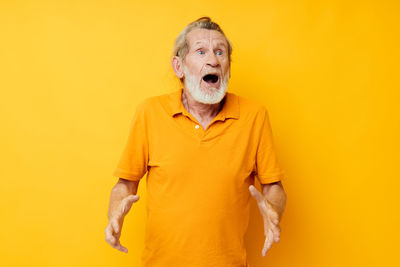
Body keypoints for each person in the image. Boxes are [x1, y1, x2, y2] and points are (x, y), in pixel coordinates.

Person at [105, 17, 287, 267]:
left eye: (220, 52)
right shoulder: (150, 112)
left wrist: (274, 210)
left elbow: (273, 187)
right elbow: (125, 185)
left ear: (228, 68)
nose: (213, 59)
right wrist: (115, 212)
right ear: (178, 67)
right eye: (201, 51)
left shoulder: (254, 116)